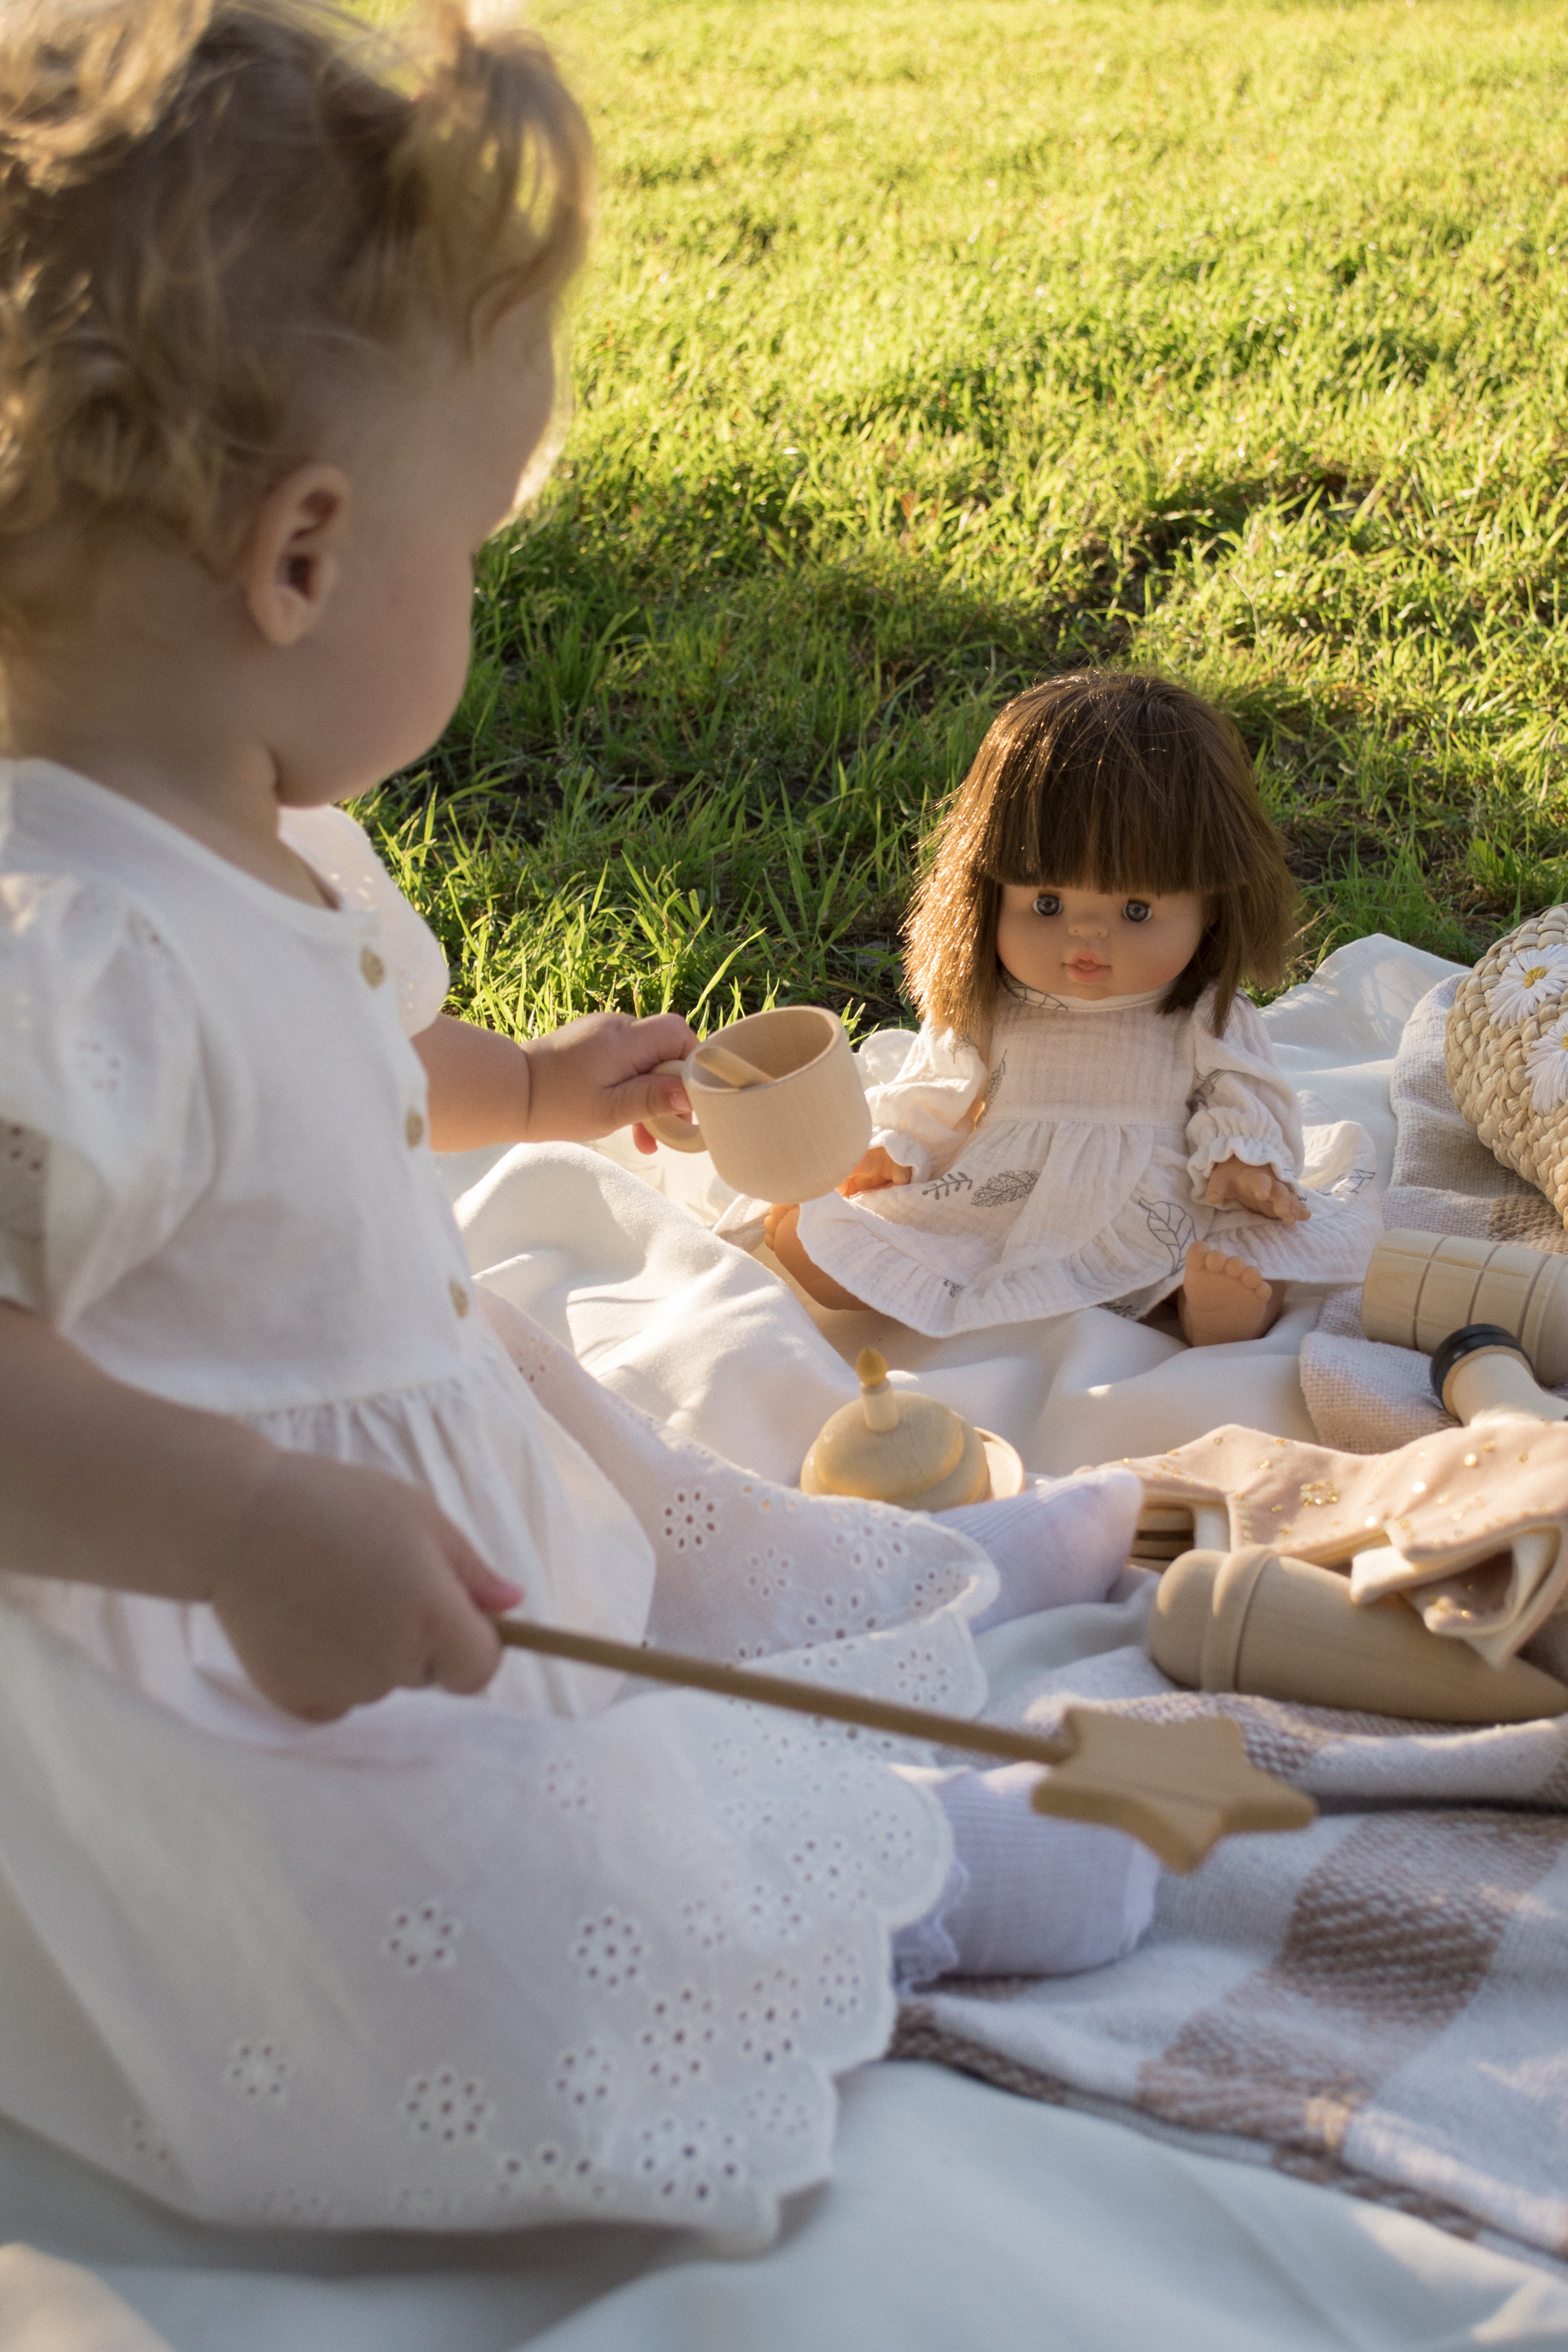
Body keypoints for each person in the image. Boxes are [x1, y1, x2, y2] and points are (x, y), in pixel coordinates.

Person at [0, 0, 1155, 2237]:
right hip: (249, 1667)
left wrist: (517, 1088)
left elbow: (314, 1069)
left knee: (631, 1524)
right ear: (308, 559)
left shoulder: (231, 827)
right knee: (521, 1867)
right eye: (478, 541)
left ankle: (831, 1631)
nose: (484, 592)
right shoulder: (66, 953)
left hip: (364, 1491)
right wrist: (244, 1526)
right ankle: (844, 1900)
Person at [760, 672, 1381, 1343]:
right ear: (986, 893)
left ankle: (1214, 1309)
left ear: (1213, 908)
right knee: (939, 1240)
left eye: (1136, 911)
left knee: (1232, 1240)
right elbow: (940, 1083)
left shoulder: (1202, 1013)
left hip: (1155, 1189)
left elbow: (1237, 1090)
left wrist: (1239, 1160)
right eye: (1047, 905)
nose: (1087, 937)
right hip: (1008, 1190)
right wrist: (899, 1149)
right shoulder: (993, 1005)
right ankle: (853, 1274)